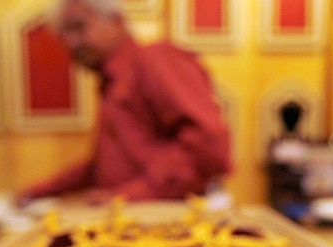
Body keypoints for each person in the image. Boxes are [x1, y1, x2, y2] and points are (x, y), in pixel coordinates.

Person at [17, 0, 232, 206]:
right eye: (64, 36)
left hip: (164, 223)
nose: (72, 43)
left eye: (79, 27)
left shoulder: (154, 60)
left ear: (116, 20)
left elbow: (210, 148)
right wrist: (33, 193)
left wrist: (126, 198)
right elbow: (100, 168)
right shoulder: (111, 84)